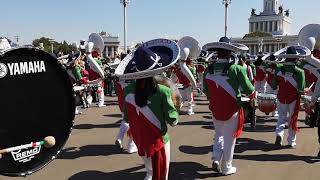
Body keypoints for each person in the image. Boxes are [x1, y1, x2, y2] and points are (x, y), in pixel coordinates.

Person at [116, 39, 180, 180]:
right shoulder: (163, 91)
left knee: (150, 171)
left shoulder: (128, 91)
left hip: (140, 140)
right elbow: (173, 119)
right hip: (159, 141)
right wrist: (177, 109)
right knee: (162, 175)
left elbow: (126, 118)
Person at [203, 37, 255, 176]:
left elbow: (206, 92)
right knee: (230, 139)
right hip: (232, 109)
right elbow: (249, 89)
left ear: (217, 53)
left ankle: (215, 158)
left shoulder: (208, 70)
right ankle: (227, 167)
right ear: (229, 52)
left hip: (215, 109)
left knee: (218, 133)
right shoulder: (237, 69)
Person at [272, 46, 310, 148]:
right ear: (295, 58)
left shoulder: (278, 68)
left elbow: (273, 85)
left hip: (281, 97)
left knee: (281, 118)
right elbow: (301, 89)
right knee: (292, 119)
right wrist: (304, 90)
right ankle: (291, 141)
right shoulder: (300, 71)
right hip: (293, 98)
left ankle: (279, 135)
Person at [114, 78, 137, 153]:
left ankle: (119, 138)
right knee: (134, 123)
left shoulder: (118, 79)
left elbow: (117, 92)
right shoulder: (133, 78)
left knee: (125, 121)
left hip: (123, 104)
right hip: (133, 103)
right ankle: (131, 146)